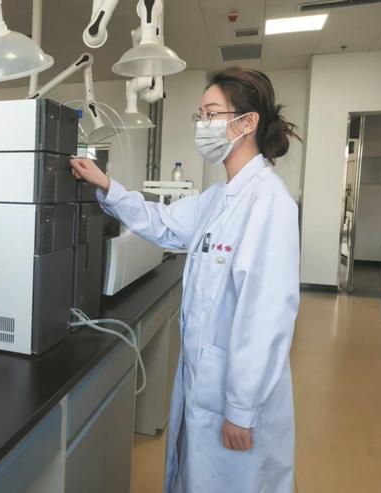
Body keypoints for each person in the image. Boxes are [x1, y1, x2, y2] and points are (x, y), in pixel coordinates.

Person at [70, 67, 301, 493]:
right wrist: (106, 185)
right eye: (200, 114)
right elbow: (162, 222)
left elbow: (266, 319)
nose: (202, 124)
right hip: (204, 383)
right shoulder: (219, 198)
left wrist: (241, 410)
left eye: (211, 113)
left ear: (247, 122)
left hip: (236, 399)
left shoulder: (269, 202)